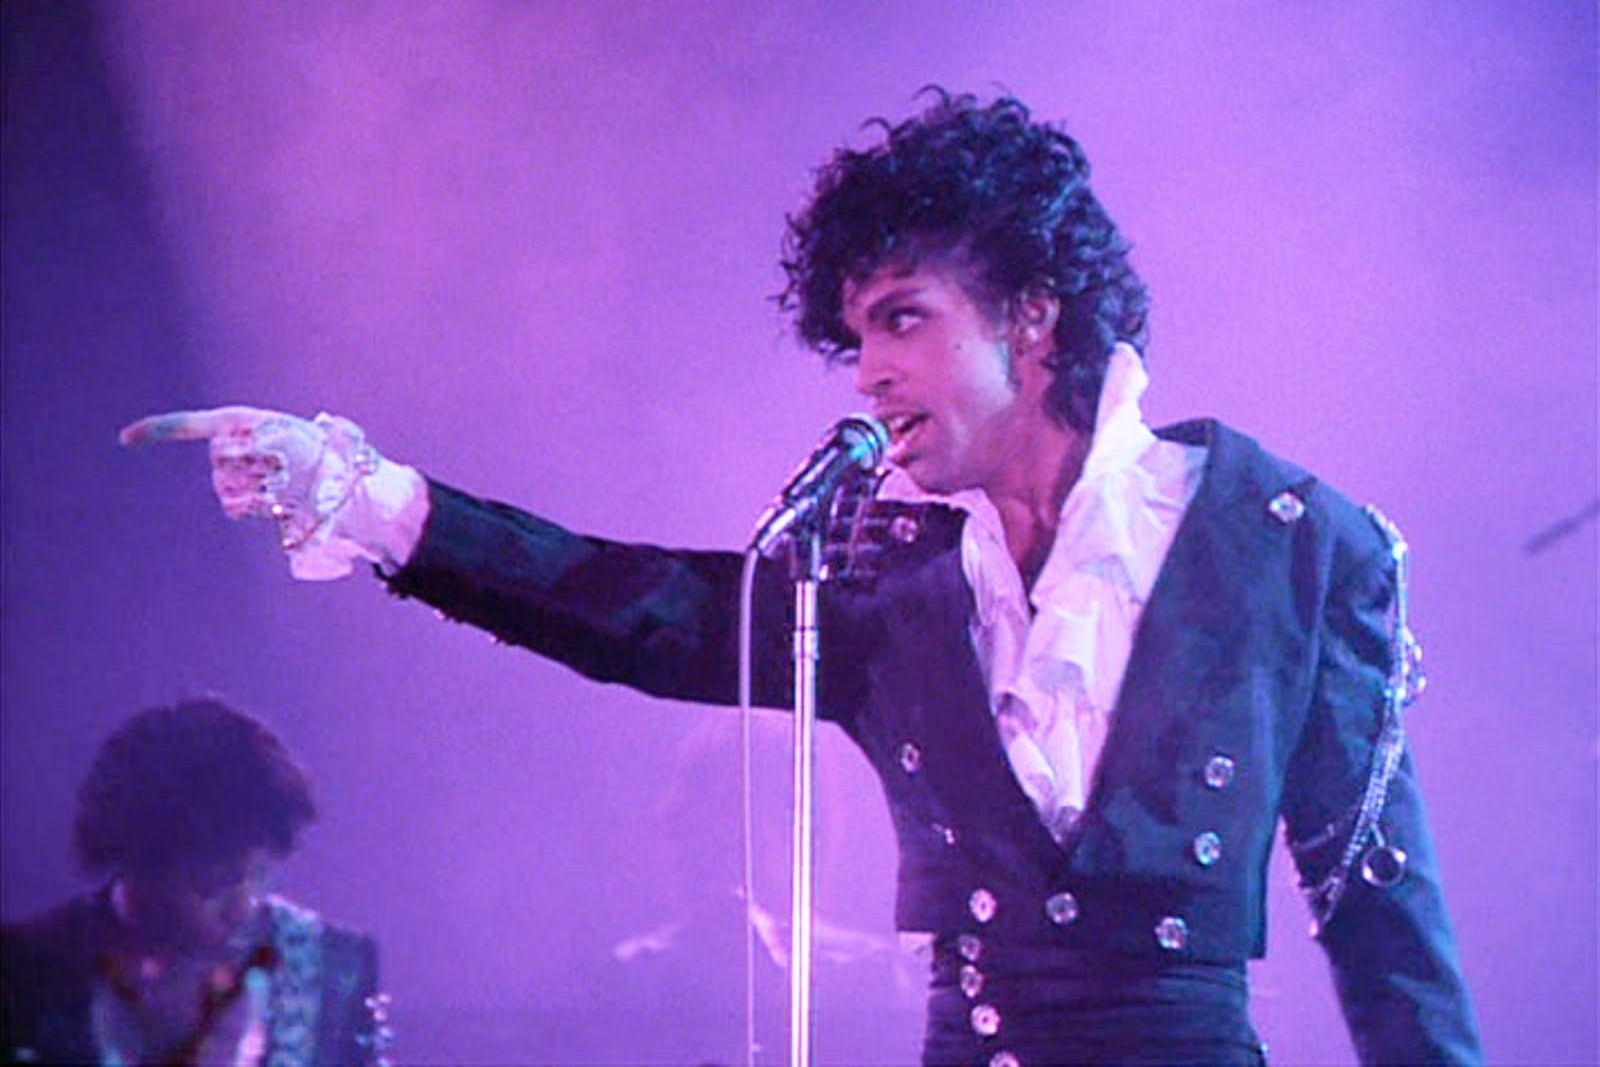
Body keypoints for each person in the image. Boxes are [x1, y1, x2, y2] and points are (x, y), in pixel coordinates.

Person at [118, 90, 1481, 1065]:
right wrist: (373, 499)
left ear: (1032, 311)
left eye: (903, 319)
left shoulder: (1293, 543)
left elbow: (1382, 922)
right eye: (853, 336)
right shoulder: (882, 571)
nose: (869, 371)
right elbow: (641, 607)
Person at [1, 698, 393, 1066]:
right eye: (211, 886)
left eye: (259, 877)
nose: (244, 906)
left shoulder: (336, 969)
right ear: (139, 865)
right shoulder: (27, 968)